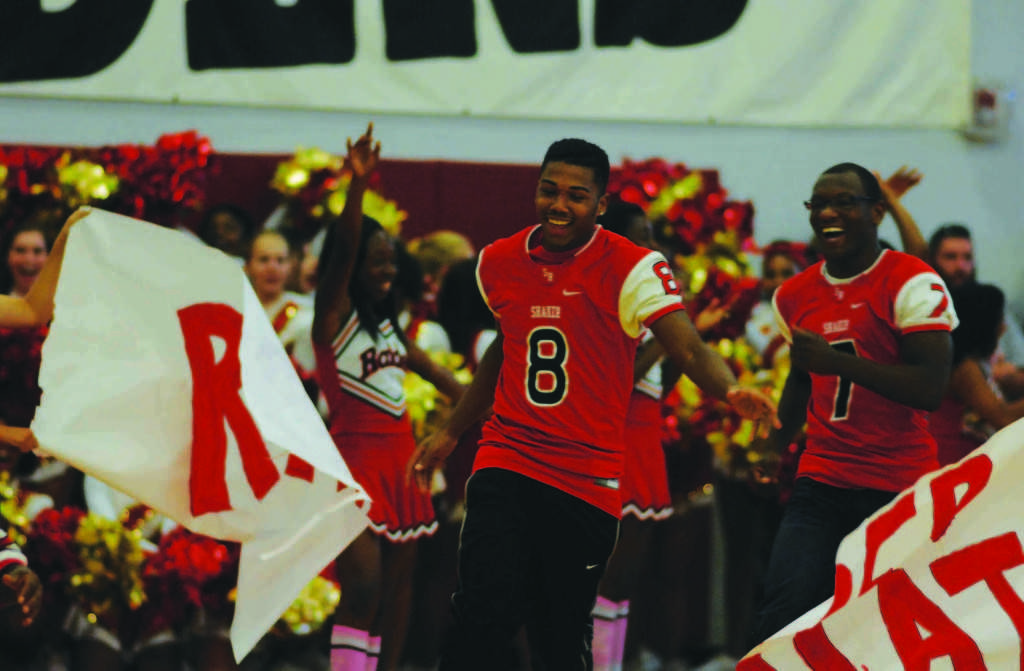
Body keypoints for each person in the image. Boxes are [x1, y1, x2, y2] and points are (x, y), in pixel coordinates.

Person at [407, 138, 777, 670]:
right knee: (480, 615)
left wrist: (728, 389)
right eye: (548, 190)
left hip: (585, 474)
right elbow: (505, 350)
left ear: (601, 205)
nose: (559, 204)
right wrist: (452, 431)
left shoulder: (633, 267)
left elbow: (688, 345)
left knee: (559, 632)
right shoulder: (499, 260)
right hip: (506, 458)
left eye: (576, 196)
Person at [751, 163, 958, 644]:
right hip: (822, 478)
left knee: (893, 625)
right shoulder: (795, 294)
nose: (828, 212)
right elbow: (803, 379)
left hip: (899, 482)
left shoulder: (911, 281)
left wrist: (836, 362)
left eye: (844, 202)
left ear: (877, 212)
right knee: (785, 611)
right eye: (818, 203)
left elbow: (929, 387)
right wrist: (774, 444)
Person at [312, 124, 464, 671]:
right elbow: (344, 249)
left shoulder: (391, 331)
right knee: (363, 590)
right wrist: (358, 185)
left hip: (403, 464)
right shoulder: (331, 320)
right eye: (375, 261)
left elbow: (456, 388)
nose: (385, 271)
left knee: (400, 594)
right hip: (353, 463)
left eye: (389, 262)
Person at [928, 282, 1024, 466]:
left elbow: (1009, 383)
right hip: (954, 463)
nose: (1004, 326)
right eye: (999, 319)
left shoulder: (973, 361)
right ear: (983, 325)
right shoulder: (964, 369)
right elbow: (1001, 418)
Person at [927, 223, 1024, 400]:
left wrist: (1006, 375)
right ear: (932, 260)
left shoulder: (991, 304)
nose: (961, 267)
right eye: (950, 257)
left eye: (967, 257)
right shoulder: (927, 310)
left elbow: (1020, 364)